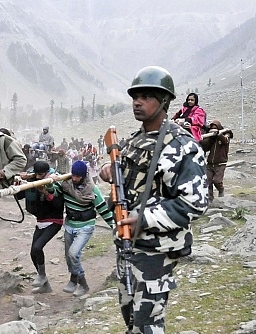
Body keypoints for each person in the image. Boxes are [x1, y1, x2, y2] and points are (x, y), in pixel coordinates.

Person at [99, 66, 208, 333]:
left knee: (148, 323)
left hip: (155, 252)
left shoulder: (181, 145)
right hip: (128, 245)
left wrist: (145, 219)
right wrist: (110, 172)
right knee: (131, 318)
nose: (137, 101)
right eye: (135, 96)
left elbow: (194, 202)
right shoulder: (137, 140)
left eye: (147, 96)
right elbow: (132, 178)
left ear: (164, 101)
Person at [54, 160, 114, 297]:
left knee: (74, 253)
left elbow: (103, 210)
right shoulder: (66, 184)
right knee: (69, 256)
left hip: (86, 226)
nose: (74, 179)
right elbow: (54, 190)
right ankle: (73, 279)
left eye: (77, 177)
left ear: (83, 176)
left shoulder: (92, 190)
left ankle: (84, 284)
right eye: (73, 176)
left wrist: (115, 227)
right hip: (70, 225)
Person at [15, 161, 64, 294]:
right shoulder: (32, 181)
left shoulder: (55, 182)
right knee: (32, 253)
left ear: (47, 173)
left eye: (41, 175)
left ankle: (42, 276)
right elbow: (19, 196)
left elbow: (59, 204)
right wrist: (17, 184)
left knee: (38, 247)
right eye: (36, 175)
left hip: (54, 221)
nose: (38, 177)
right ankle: (45, 285)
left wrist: (45, 192)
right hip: (40, 221)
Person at [199, 119, 233, 201]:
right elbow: (205, 147)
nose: (213, 130)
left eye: (215, 128)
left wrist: (218, 134)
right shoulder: (211, 138)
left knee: (217, 181)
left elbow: (225, 141)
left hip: (220, 163)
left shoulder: (226, 135)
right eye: (212, 128)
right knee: (208, 181)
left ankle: (221, 190)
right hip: (210, 163)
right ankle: (210, 198)